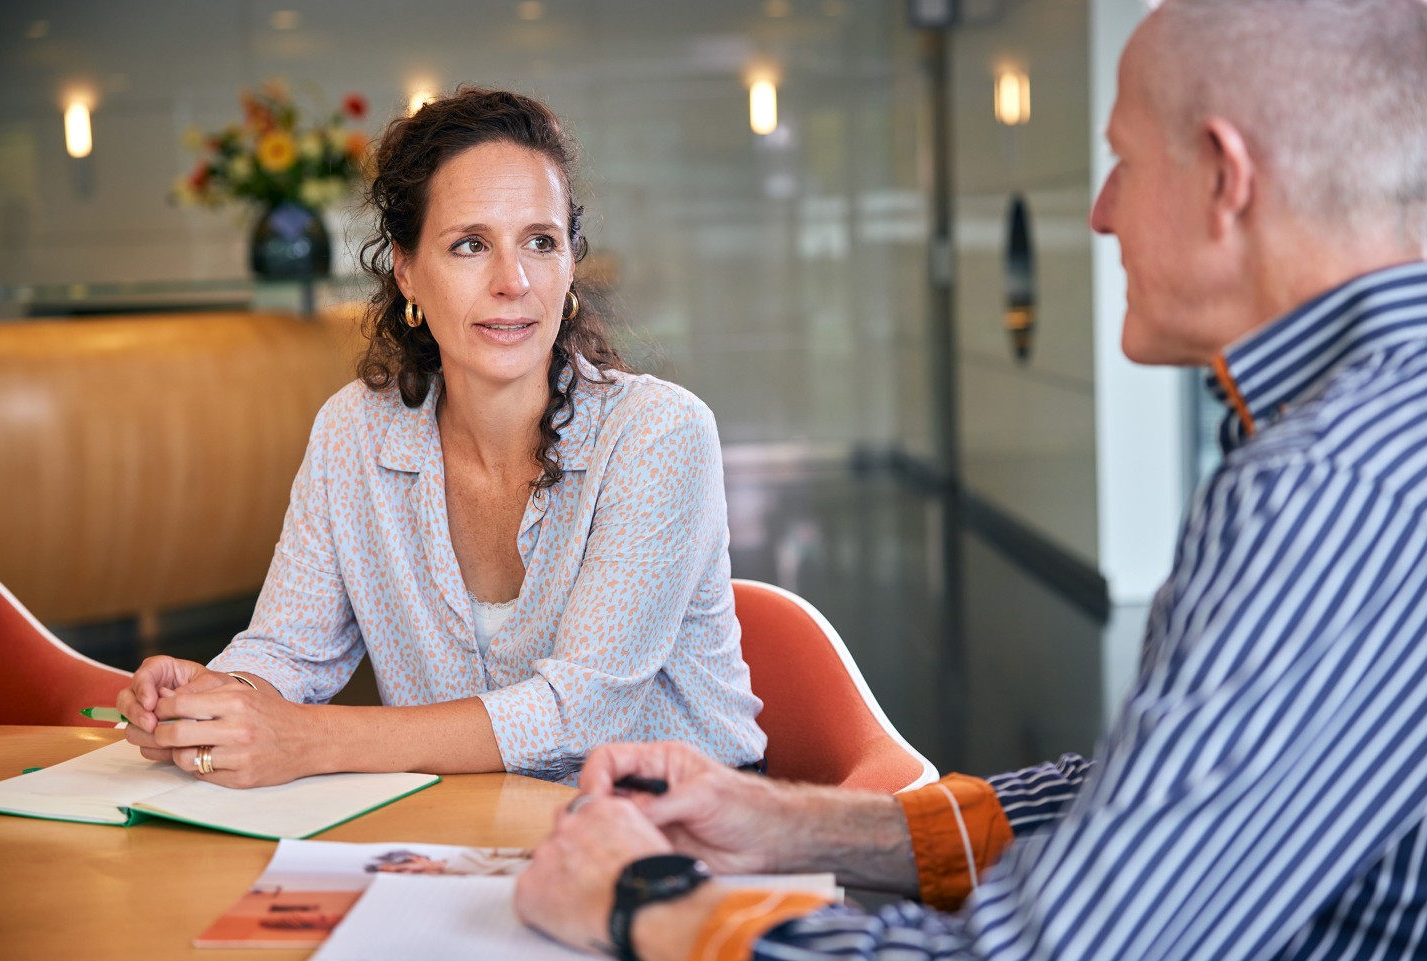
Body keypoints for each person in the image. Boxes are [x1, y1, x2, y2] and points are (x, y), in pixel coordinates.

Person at [514, 0, 1427, 957]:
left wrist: (648, 903)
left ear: (1224, 178)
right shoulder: (1363, 443)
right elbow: (1171, 796)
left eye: (1124, 160)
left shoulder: (1332, 487)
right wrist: (787, 824)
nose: (1101, 211)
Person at [117, 87, 765, 788]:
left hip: (681, 830)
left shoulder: (660, 433)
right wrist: (215, 696)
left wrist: (309, 739)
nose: (513, 281)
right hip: (467, 833)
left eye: (540, 242)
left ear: (570, 264)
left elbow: (583, 713)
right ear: (406, 269)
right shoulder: (353, 433)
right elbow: (290, 652)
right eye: (470, 245)